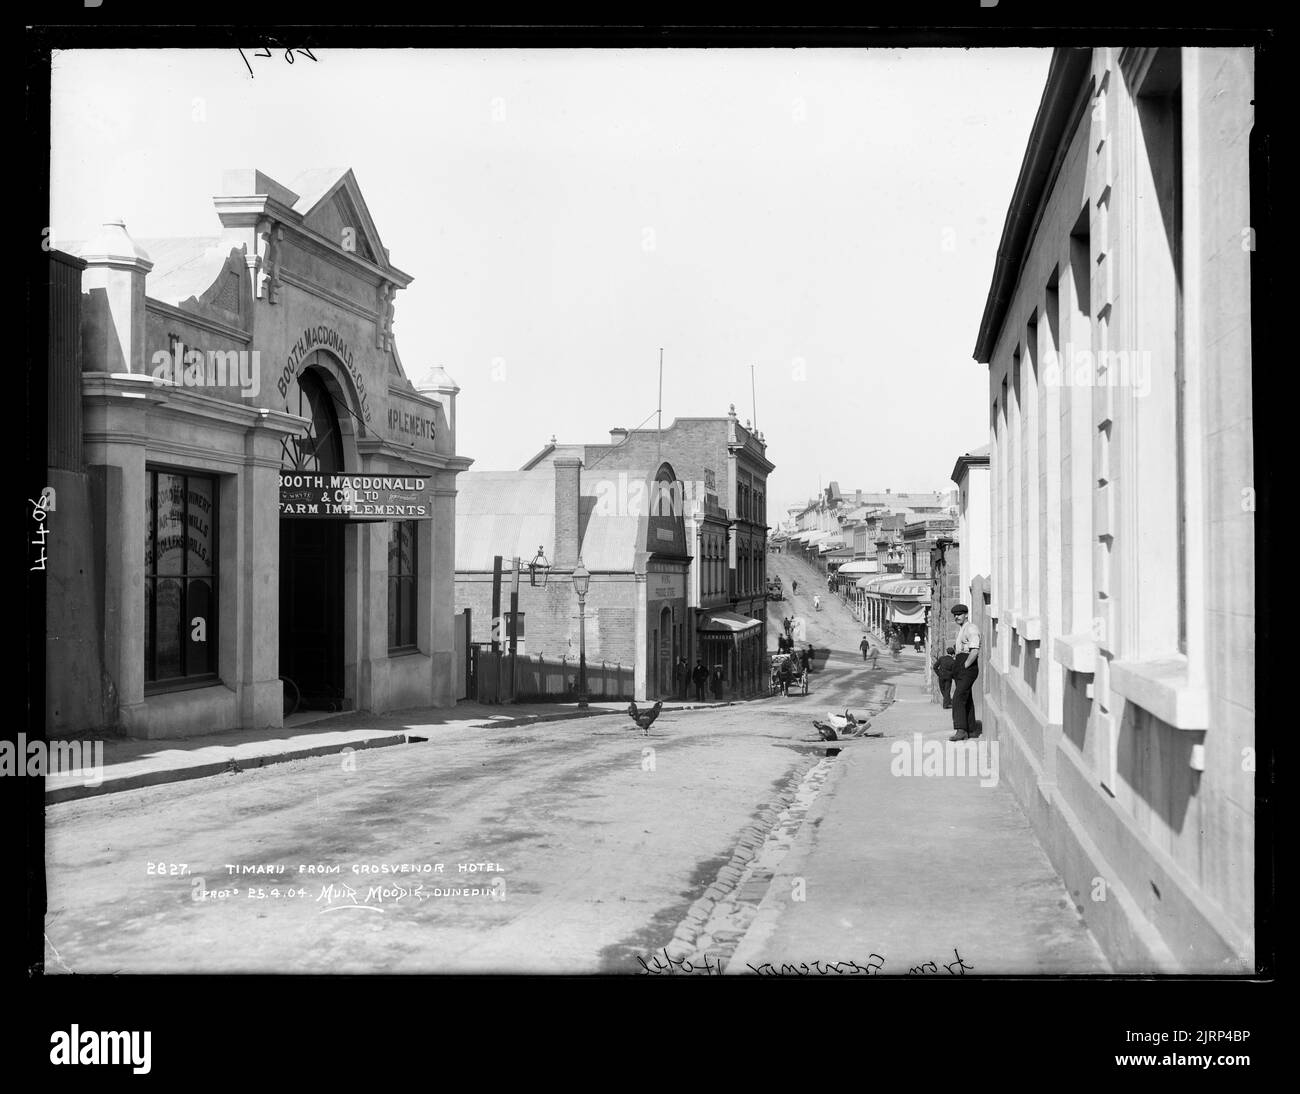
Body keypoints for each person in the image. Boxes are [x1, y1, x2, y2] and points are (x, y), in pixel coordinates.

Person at [949, 606, 980, 740]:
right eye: (955, 615)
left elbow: (974, 650)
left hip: (967, 666)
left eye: (960, 614)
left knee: (958, 698)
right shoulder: (962, 629)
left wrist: (965, 665)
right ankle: (971, 729)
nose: (957, 617)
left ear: (966, 615)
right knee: (966, 699)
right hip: (961, 666)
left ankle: (961, 730)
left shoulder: (971, 628)